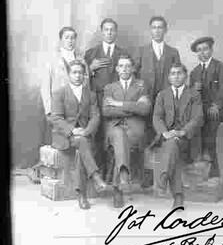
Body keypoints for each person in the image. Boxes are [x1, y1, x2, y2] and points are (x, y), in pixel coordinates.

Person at [50, 60, 106, 210]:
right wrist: (72, 130)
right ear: (69, 75)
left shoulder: (91, 95)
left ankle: (81, 194)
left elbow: (96, 117)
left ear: (85, 75)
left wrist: (86, 131)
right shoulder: (59, 93)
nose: (77, 75)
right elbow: (55, 118)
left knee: (83, 145)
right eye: (74, 72)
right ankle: (95, 177)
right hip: (63, 136)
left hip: (84, 136)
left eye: (80, 72)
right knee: (82, 143)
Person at [150, 63, 204, 208]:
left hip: (187, 139)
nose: (176, 76)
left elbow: (198, 118)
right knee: (173, 147)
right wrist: (165, 133)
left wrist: (182, 132)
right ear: (169, 77)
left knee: (174, 147)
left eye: (179, 73)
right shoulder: (162, 95)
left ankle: (163, 179)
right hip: (167, 138)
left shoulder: (194, 94)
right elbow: (157, 117)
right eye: (173, 73)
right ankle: (178, 197)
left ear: (185, 76)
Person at [102, 55, 151, 208]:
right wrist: (133, 107)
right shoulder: (109, 87)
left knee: (120, 139)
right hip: (114, 129)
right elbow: (106, 111)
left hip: (134, 130)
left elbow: (145, 109)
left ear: (133, 68)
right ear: (117, 69)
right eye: (121, 66)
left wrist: (119, 104)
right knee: (118, 135)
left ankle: (118, 188)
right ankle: (123, 178)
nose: (124, 69)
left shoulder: (141, 86)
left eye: (128, 66)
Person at [84, 18, 128, 178]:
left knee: (113, 134)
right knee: (96, 135)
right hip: (96, 99)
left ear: (116, 32)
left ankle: (112, 174)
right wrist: (90, 68)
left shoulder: (123, 54)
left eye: (112, 30)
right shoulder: (91, 53)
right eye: (106, 30)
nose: (109, 32)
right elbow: (80, 78)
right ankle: (97, 172)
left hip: (114, 102)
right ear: (101, 32)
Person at [189, 36, 223, 178]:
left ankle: (214, 174)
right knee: (192, 133)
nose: (202, 53)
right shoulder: (194, 72)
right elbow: (191, 97)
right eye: (199, 50)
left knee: (209, 138)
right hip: (201, 112)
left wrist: (216, 105)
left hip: (217, 110)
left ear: (211, 50)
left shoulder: (221, 67)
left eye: (205, 49)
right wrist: (193, 90)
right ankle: (200, 172)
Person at [133, 16, 181, 145]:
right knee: (145, 129)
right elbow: (133, 73)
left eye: (160, 27)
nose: (157, 30)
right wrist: (139, 92)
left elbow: (179, 76)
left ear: (165, 30)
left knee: (164, 127)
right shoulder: (141, 51)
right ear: (150, 30)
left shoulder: (173, 52)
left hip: (166, 97)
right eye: (154, 27)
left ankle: (162, 161)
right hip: (146, 97)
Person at [41, 26, 86, 118]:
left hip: (78, 110)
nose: (70, 40)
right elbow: (45, 87)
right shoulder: (51, 61)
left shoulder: (81, 60)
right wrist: (49, 110)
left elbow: (85, 85)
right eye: (67, 38)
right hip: (58, 108)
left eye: (72, 38)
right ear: (61, 40)